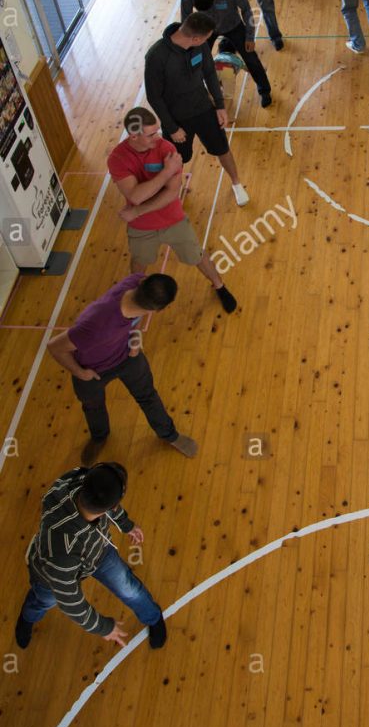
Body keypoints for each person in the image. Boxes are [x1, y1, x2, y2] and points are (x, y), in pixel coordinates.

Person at [15, 463, 169, 651]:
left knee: (129, 587)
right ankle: (27, 618)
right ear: (106, 508)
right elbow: (70, 601)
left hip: (98, 552)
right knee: (43, 600)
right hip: (50, 574)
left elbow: (111, 506)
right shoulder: (61, 554)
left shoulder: (79, 480)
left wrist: (126, 525)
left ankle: (153, 617)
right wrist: (103, 627)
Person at [46, 273, 197, 464]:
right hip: (92, 371)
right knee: (93, 406)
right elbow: (54, 347)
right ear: (157, 310)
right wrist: (80, 373)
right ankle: (99, 437)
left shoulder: (137, 283)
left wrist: (135, 337)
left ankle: (169, 435)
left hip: (128, 357)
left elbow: (138, 316)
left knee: (148, 396)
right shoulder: (94, 325)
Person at [108, 107, 237, 315]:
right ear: (133, 136)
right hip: (142, 229)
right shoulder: (117, 159)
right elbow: (135, 196)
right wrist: (166, 172)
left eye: (157, 131)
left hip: (172, 219)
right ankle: (135, 296)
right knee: (139, 261)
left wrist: (137, 212)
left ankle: (219, 285)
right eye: (151, 134)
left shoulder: (166, 147)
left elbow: (171, 194)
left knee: (197, 255)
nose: (157, 137)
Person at [144, 12, 250, 206]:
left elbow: (209, 72)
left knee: (222, 148)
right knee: (177, 159)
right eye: (207, 38)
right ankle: (174, 188)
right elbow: (154, 96)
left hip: (204, 109)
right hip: (176, 119)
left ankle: (236, 183)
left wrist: (219, 106)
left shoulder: (199, 46)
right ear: (195, 37)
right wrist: (172, 127)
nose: (207, 41)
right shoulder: (156, 57)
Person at [180, 0, 272, 108]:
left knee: (250, 57)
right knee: (197, 62)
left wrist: (250, 37)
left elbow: (246, 9)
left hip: (233, 25)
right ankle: (201, 96)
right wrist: (189, 44)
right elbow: (185, 21)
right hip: (205, 29)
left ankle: (265, 91)